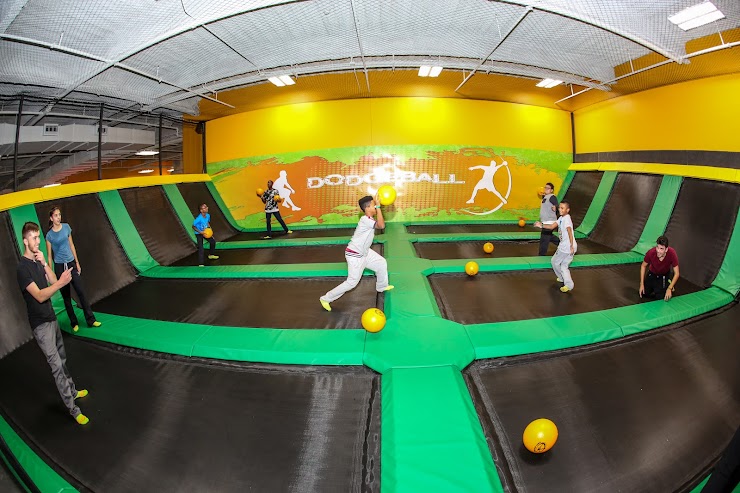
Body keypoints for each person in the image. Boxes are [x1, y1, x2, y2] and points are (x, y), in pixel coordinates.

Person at [17, 222, 90, 425]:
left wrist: (44, 263)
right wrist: (61, 283)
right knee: (57, 366)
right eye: (33, 238)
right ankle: (73, 410)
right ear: (25, 241)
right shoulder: (22, 269)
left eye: (38, 237)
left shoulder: (37, 261)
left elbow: (52, 279)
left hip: (51, 318)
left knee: (62, 359)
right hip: (40, 326)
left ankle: (72, 391)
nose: (37, 241)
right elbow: (40, 295)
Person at [320, 194, 394, 311]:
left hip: (365, 252)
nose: (375, 207)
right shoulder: (365, 220)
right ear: (367, 208)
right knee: (352, 283)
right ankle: (326, 298)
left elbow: (379, 224)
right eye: (373, 205)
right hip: (355, 255)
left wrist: (377, 206)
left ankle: (381, 286)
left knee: (381, 263)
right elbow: (381, 225)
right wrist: (379, 207)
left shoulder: (369, 219)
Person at [45, 206, 101, 332]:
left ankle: (91, 319)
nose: (58, 217)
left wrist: (77, 262)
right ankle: (74, 322)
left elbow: (71, 245)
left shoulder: (66, 227)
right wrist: (51, 272)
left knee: (81, 292)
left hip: (71, 263)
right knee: (66, 297)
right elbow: (49, 256)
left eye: (59, 215)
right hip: (60, 267)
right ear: (51, 218)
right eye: (56, 215)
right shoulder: (49, 236)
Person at [536, 201, 576, 292]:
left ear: (567, 210)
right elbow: (551, 226)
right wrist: (541, 225)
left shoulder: (566, 219)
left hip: (566, 246)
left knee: (554, 261)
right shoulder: (561, 218)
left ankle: (562, 279)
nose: (560, 210)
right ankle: (568, 284)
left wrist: (571, 245)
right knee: (564, 266)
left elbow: (569, 231)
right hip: (570, 246)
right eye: (559, 208)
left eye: (562, 208)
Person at [639, 236, 679, 301]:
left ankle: (668, 283)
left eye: (661, 249)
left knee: (660, 297)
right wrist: (642, 284)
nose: (658, 251)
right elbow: (643, 266)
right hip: (652, 274)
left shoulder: (672, 253)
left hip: (663, 276)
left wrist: (669, 288)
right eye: (657, 247)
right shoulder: (651, 252)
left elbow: (677, 273)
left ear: (666, 249)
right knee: (644, 293)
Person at [538, 182, 560, 256]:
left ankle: (541, 255)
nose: (546, 189)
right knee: (549, 236)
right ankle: (563, 244)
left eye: (548, 188)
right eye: (545, 188)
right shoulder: (545, 197)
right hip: (545, 221)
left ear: (551, 190)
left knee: (544, 239)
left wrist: (555, 207)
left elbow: (557, 205)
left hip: (550, 221)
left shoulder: (552, 197)